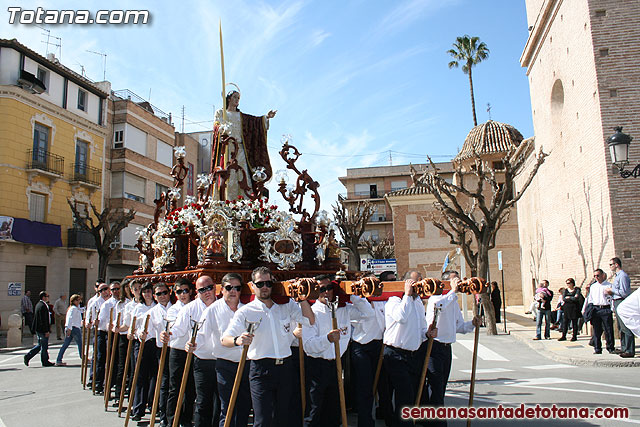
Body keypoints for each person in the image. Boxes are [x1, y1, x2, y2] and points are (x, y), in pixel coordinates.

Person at [222, 266, 315, 427]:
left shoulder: (286, 305)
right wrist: (238, 340)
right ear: (252, 285)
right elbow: (225, 339)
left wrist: (302, 297)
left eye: (268, 283)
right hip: (260, 369)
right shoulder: (246, 311)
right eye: (260, 284)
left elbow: (309, 320)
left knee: (283, 417)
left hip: (285, 367)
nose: (264, 287)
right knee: (263, 419)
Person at [303, 275, 374, 427]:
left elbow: (369, 314)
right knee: (314, 411)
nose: (326, 292)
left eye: (330, 288)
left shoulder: (344, 309)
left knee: (334, 411)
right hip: (317, 366)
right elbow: (308, 346)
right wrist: (327, 339)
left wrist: (352, 295)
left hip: (337, 365)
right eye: (322, 289)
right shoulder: (312, 312)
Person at [424, 271, 481, 427]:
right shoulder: (436, 299)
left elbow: (459, 326)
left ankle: (431, 419)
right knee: (435, 385)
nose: (458, 282)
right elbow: (439, 306)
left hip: (446, 347)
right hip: (433, 347)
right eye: (454, 280)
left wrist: (472, 324)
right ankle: (438, 423)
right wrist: (452, 291)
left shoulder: (453, 301)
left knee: (441, 386)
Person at [191, 273, 247, 427]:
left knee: (243, 406)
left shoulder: (247, 309)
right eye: (229, 288)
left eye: (237, 288)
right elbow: (201, 336)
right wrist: (193, 344)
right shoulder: (212, 310)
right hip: (225, 365)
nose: (233, 291)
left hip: (247, 364)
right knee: (227, 408)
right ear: (222, 290)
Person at [382, 269, 434, 426]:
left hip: (413, 354)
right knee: (404, 395)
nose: (420, 286)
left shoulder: (418, 302)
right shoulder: (394, 300)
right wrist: (407, 295)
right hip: (396, 354)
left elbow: (420, 327)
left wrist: (428, 334)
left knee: (413, 395)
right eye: (416, 282)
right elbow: (401, 317)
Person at [212, 90, 276, 200]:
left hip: (240, 148)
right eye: (235, 97)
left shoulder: (241, 116)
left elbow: (255, 122)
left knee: (242, 171)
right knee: (228, 172)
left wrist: (266, 118)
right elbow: (216, 126)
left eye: (238, 98)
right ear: (229, 98)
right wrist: (222, 129)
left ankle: (244, 199)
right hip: (227, 147)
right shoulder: (221, 113)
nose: (237, 100)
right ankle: (226, 198)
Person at [161, 277, 206, 427]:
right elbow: (176, 329)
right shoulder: (174, 310)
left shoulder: (199, 307)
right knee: (175, 387)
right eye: (179, 292)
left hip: (193, 351)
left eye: (185, 291)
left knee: (191, 389)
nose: (183, 294)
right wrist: (169, 333)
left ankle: (186, 420)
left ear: (191, 291)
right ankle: (171, 420)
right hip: (178, 351)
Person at [183, 277, 220, 427]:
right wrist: (167, 335)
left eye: (209, 288)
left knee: (220, 402)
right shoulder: (189, 309)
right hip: (202, 360)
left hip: (221, 359)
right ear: (197, 292)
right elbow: (176, 330)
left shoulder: (224, 306)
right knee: (203, 401)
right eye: (202, 290)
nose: (207, 292)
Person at [143, 282, 173, 426]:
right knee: (164, 383)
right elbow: (144, 332)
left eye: (164, 293)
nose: (162, 296)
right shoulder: (151, 312)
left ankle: (176, 415)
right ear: (154, 296)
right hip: (162, 350)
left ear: (169, 292)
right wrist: (139, 334)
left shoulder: (178, 308)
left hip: (178, 350)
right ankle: (163, 416)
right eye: (159, 294)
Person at [130, 282, 158, 422]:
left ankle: (153, 405)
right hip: (141, 344)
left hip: (155, 344)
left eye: (149, 291)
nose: (147, 294)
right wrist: (137, 334)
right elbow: (133, 328)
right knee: (140, 376)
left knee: (155, 376)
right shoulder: (138, 308)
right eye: (144, 291)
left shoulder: (157, 307)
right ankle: (138, 408)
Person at [607, 257, 635, 358]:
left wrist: (612, 290)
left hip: (621, 301)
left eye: (611, 264)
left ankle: (629, 350)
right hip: (616, 302)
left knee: (625, 326)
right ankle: (624, 347)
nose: (610, 267)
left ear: (616, 264)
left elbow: (624, 292)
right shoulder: (617, 276)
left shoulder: (622, 276)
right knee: (620, 327)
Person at [583, 269, 615, 354]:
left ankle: (610, 347)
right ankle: (597, 348)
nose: (596, 277)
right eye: (595, 276)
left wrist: (612, 309)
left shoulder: (609, 285)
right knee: (596, 330)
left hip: (606, 308)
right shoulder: (593, 286)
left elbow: (612, 298)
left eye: (598, 275)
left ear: (603, 275)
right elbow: (590, 299)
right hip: (596, 309)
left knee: (608, 329)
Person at [93, 282, 114, 393]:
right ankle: (98, 382)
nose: (104, 292)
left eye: (106, 289)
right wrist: (93, 322)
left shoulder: (114, 302)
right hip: (101, 332)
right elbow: (89, 319)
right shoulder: (95, 303)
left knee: (111, 358)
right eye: (102, 290)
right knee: (100, 358)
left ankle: (109, 382)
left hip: (112, 332)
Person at [24, 291, 54, 367]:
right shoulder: (42, 306)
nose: (48, 298)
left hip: (40, 329)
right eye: (47, 296)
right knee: (43, 346)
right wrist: (46, 330)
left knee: (41, 345)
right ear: (43, 297)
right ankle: (44, 361)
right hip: (42, 330)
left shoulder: (41, 305)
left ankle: (29, 356)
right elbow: (42, 320)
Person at [56, 294, 83, 366]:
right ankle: (83, 357)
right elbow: (70, 318)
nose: (79, 302)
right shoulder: (73, 309)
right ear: (73, 301)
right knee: (80, 343)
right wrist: (69, 328)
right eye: (77, 300)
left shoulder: (74, 308)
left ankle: (59, 359)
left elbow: (81, 310)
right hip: (74, 328)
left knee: (65, 344)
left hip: (72, 328)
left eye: (79, 300)